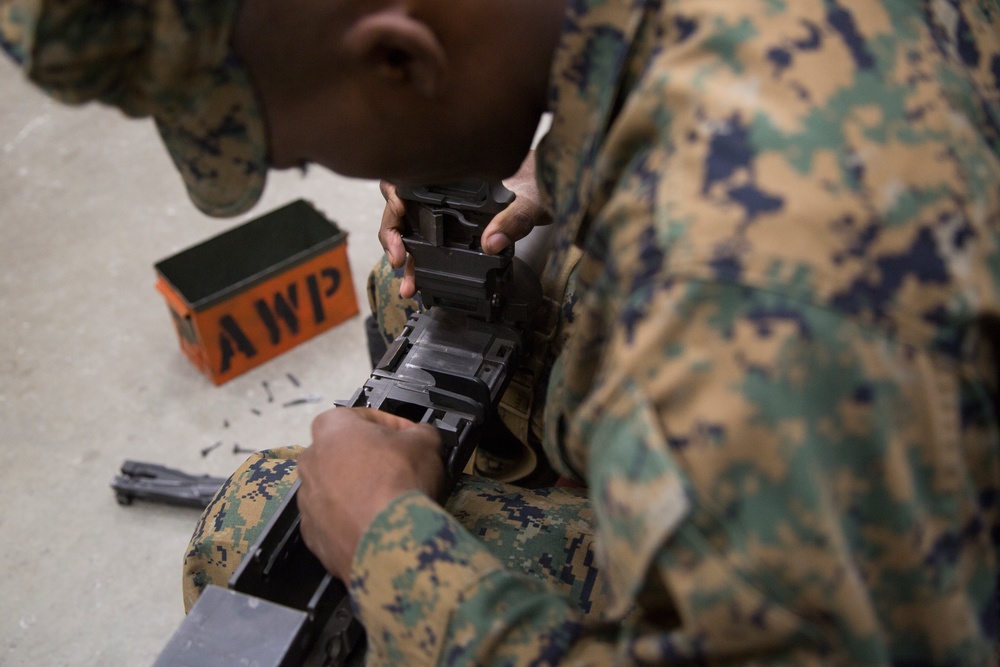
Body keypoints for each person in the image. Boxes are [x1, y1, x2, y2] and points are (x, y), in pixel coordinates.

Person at [3, 0, 1000, 664]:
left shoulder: (750, 296)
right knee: (431, 286)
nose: (343, 173)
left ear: (399, 56)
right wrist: (562, 164)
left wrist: (389, 546)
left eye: (306, 151)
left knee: (255, 518)